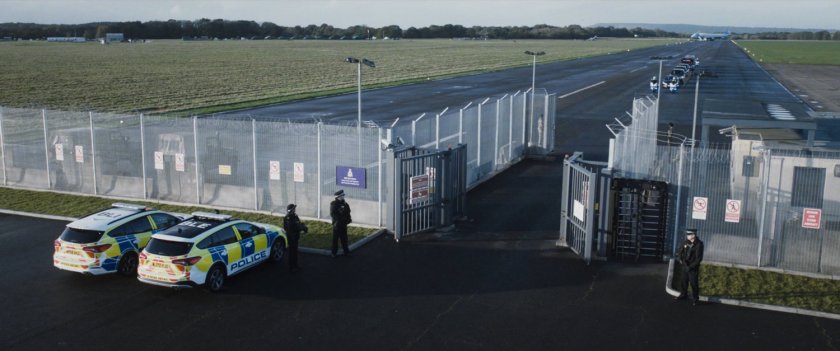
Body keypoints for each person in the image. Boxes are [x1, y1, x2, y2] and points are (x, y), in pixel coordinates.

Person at [676, 229, 704, 305]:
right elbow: (680, 252)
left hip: (693, 268)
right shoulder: (686, 242)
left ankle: (695, 299)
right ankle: (683, 295)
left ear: (693, 235)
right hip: (685, 266)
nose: (687, 236)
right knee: (683, 281)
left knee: (694, 283)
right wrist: (680, 259)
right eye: (687, 234)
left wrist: (690, 267)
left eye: (689, 234)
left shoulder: (699, 244)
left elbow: (699, 259)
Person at [283, 203, 307, 272]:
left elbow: (298, 224)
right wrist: (300, 228)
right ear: (290, 210)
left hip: (295, 237)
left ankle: (295, 265)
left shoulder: (295, 216)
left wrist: (303, 227)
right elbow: (290, 228)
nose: (295, 209)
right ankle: (291, 267)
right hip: (291, 237)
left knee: (295, 252)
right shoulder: (288, 218)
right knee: (292, 252)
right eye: (294, 209)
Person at [330, 189, 352, 257]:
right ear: (338, 197)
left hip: (343, 224)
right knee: (335, 239)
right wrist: (340, 219)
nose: (343, 197)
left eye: (343, 196)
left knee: (344, 239)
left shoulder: (345, 204)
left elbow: (348, 212)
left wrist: (348, 219)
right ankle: (334, 253)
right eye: (342, 196)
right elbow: (333, 214)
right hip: (337, 225)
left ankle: (346, 252)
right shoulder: (334, 204)